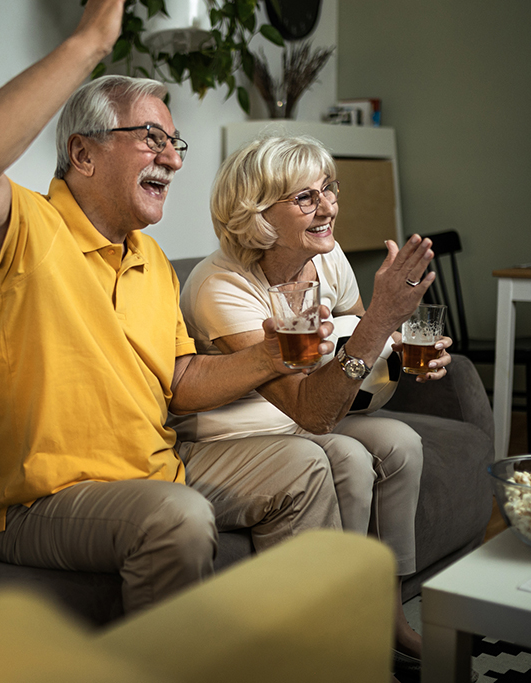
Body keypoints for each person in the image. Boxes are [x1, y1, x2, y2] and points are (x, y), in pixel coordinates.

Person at [0, 0, 346, 615]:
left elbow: (179, 382)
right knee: (175, 516)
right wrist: (89, 43)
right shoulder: (27, 230)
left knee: (306, 464)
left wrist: (273, 352)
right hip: (34, 501)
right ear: (83, 154)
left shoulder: (151, 260)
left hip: (154, 469)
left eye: (174, 143)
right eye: (153, 139)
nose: (176, 160)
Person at [169, 135, 453, 662]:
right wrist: (381, 320)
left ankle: (387, 616)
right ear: (256, 214)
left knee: (400, 443)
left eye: (329, 189)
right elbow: (310, 410)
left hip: (304, 413)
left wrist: (405, 342)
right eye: (306, 198)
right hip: (247, 429)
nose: (328, 207)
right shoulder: (219, 286)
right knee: (347, 456)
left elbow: (355, 335)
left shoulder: (327, 256)